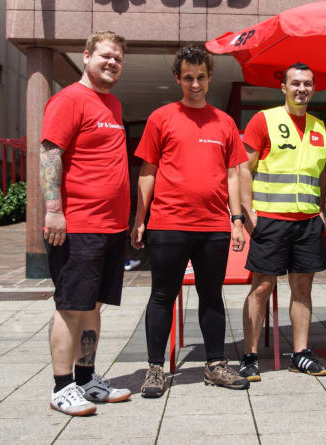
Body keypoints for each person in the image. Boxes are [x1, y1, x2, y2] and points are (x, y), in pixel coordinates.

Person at [131, 45, 249, 397]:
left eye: (200, 77)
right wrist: (140, 218)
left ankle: (215, 365)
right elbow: (147, 171)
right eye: (187, 78)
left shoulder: (224, 122)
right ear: (177, 78)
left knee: (211, 296)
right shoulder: (161, 118)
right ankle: (155, 370)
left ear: (210, 76)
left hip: (213, 226)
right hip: (168, 223)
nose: (194, 84)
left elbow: (233, 176)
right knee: (162, 295)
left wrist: (237, 220)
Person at [40, 30, 132, 416]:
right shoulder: (69, 99)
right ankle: (62, 387)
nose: (112, 63)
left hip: (110, 227)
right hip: (78, 224)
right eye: (106, 56)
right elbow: (49, 154)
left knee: (93, 304)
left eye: (118, 59)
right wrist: (53, 209)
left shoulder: (112, 104)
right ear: (86, 56)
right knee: (71, 305)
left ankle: (86, 379)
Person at [238, 62, 326, 381]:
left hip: (306, 223)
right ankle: (249, 356)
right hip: (271, 220)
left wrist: (319, 208)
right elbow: (244, 169)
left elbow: (318, 175)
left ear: (313, 88)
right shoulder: (264, 119)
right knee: (262, 287)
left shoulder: (319, 126)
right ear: (284, 87)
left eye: (307, 83)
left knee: (303, 287)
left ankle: (300, 354)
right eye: (295, 83)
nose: (302, 89)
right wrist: (247, 212)